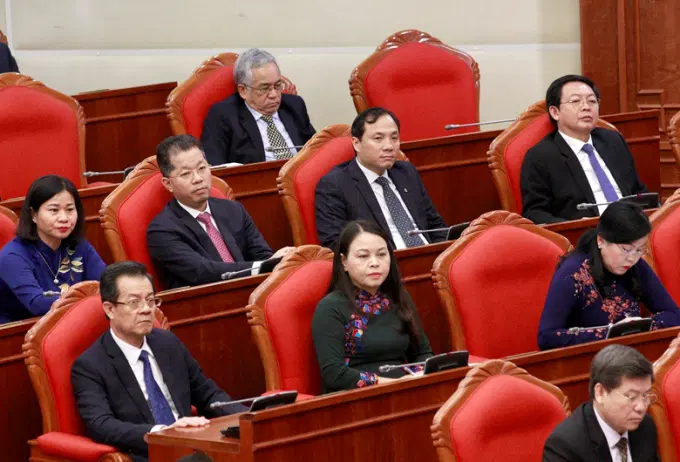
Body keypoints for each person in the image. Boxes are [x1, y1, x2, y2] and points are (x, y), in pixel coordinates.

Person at [72, 261, 246, 462]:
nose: (146, 309)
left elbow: (208, 395)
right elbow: (101, 425)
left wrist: (248, 419)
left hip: (193, 448)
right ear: (110, 309)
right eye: (134, 302)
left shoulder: (167, 343)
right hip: (148, 454)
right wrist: (162, 432)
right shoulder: (90, 365)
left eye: (151, 300)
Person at [147, 135, 295, 289]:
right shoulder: (162, 230)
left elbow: (263, 255)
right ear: (168, 184)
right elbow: (204, 272)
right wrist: (265, 265)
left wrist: (280, 260)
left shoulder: (233, 210)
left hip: (255, 291)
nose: (198, 179)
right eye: (186, 174)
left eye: (202, 168)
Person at [538, 201, 680, 350]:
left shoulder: (635, 265)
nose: (632, 258)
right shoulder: (573, 273)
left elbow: (674, 314)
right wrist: (609, 333)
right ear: (601, 241)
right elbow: (547, 337)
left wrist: (641, 326)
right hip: (590, 358)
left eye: (639, 250)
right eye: (626, 249)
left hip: (633, 353)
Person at [311, 220, 433, 393]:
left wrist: (416, 377)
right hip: (355, 399)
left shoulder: (398, 297)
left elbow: (423, 354)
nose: (375, 263)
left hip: (406, 392)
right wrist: (391, 383)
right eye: (363, 256)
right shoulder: (330, 307)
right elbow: (334, 373)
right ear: (344, 262)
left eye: (382, 254)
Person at [520, 74, 647, 224]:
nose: (586, 107)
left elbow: (638, 191)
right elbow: (534, 213)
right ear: (555, 112)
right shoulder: (540, 156)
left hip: (634, 226)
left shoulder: (613, 141)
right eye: (576, 101)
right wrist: (576, 226)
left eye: (592, 101)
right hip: (589, 232)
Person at [315, 107, 447, 250]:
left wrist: (439, 253)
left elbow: (436, 226)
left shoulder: (406, 172)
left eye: (394, 138)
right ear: (356, 143)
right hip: (384, 260)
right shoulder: (335, 184)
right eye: (378, 138)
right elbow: (336, 243)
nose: (389, 146)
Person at [0, 175, 105, 323]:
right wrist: (86, 298)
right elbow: (37, 304)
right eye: (54, 210)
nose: (64, 218)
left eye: (70, 209)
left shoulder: (79, 246)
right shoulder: (12, 256)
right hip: (21, 332)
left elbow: (107, 284)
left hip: (76, 323)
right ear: (33, 214)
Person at [543, 344, 660, 461]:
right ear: (600, 393)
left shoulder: (645, 427)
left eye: (645, 395)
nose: (641, 407)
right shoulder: (565, 445)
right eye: (631, 397)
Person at [201, 48, 316, 165]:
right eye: (265, 88)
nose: (274, 95)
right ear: (243, 90)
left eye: (277, 85)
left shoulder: (294, 106)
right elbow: (215, 167)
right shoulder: (224, 116)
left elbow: (317, 150)